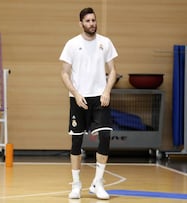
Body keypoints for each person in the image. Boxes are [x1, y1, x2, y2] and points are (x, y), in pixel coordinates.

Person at [59, 7, 118, 200]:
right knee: (76, 140)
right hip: (79, 98)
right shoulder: (72, 44)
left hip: (100, 97)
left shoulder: (105, 42)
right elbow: (64, 73)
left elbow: (113, 71)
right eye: (88, 21)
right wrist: (75, 93)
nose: (92, 23)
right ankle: (76, 186)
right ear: (81, 23)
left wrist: (107, 91)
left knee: (105, 137)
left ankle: (98, 183)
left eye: (94, 20)